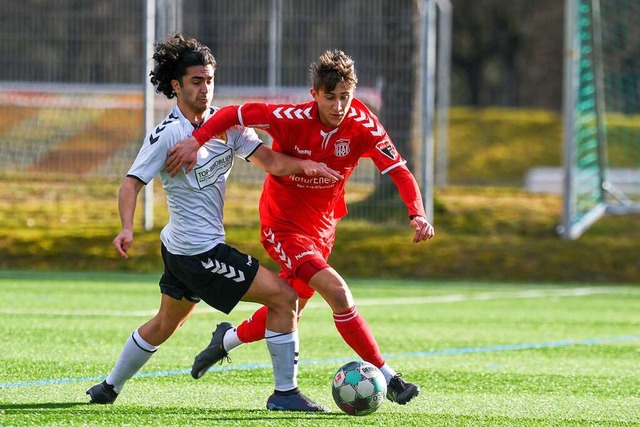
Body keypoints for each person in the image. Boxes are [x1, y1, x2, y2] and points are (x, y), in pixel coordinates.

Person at [86, 34, 342, 412]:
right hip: (198, 251)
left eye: (209, 80)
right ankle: (285, 393)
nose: (205, 89)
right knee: (285, 298)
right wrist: (126, 227)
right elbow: (130, 184)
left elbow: (271, 162)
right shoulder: (168, 134)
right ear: (176, 85)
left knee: (164, 324)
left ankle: (108, 388)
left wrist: (304, 165)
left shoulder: (228, 126)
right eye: (196, 81)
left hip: (180, 248)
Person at [166, 49, 435, 406]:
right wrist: (196, 140)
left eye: (345, 97)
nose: (339, 106)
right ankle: (390, 377)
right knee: (338, 293)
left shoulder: (364, 124)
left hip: (323, 228)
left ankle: (226, 340)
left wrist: (416, 212)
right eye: (330, 97)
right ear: (315, 95)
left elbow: (398, 170)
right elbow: (233, 114)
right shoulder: (291, 116)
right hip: (283, 226)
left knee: (290, 308)